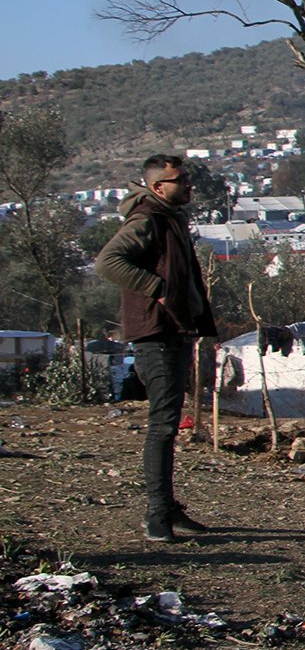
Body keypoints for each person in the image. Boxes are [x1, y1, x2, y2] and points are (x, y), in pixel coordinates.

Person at [95, 155, 218, 542]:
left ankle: (167, 508)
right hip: (157, 333)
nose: (188, 185)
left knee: (167, 424)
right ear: (157, 187)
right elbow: (108, 262)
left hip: (175, 330)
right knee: (163, 426)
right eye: (179, 180)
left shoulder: (170, 218)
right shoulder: (147, 218)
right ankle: (156, 515)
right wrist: (158, 289)